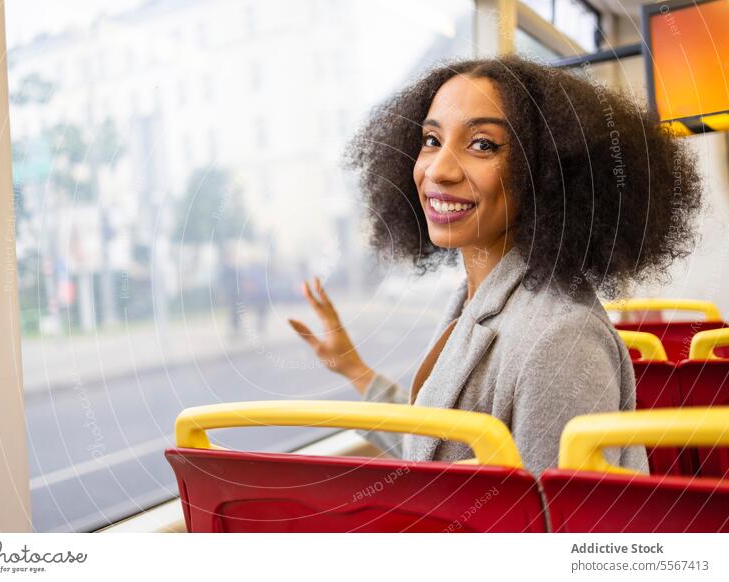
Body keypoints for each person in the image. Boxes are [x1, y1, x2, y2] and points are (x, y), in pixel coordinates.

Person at [287, 56, 702, 476]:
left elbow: (564, 530)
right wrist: (354, 369)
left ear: (546, 174)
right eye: (431, 140)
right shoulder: (475, 298)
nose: (439, 169)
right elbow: (434, 450)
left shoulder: (560, 339)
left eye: (482, 144)